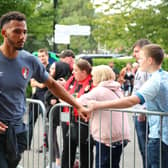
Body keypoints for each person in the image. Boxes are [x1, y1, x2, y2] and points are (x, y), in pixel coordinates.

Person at [0, 11, 89, 168]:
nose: (22, 36)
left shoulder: (29, 60)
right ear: (4, 33)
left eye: (24, 32)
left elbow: (53, 85)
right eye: (16, 31)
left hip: (18, 130)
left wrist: (77, 105)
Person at [85, 44, 168, 168]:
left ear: (150, 60)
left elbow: (130, 101)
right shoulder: (164, 76)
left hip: (159, 137)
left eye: (141, 58)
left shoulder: (154, 82)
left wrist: (97, 105)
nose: (138, 61)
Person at [78, 65, 130, 168]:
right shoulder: (117, 88)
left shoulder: (99, 90)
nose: (92, 78)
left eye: (93, 76)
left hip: (107, 135)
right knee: (114, 164)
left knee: (102, 164)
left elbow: (79, 100)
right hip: (121, 134)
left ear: (99, 76)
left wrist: (89, 105)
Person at [61, 58, 94, 168]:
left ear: (84, 72)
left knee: (85, 151)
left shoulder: (92, 82)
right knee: (67, 149)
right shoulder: (72, 79)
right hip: (68, 119)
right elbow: (63, 94)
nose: (72, 72)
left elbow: (91, 100)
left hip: (84, 121)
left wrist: (74, 103)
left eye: (75, 70)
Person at [132, 39, 151, 168]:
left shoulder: (147, 70)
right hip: (137, 112)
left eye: (137, 51)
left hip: (142, 114)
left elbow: (149, 91)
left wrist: (143, 110)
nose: (134, 54)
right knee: (143, 149)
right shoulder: (140, 69)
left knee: (146, 148)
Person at [28, 48, 50, 150]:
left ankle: (46, 145)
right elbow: (32, 83)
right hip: (35, 99)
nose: (41, 58)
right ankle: (26, 144)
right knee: (30, 122)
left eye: (43, 56)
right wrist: (38, 84)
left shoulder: (50, 69)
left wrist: (38, 84)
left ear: (47, 56)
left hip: (45, 99)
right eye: (39, 56)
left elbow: (43, 85)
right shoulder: (36, 68)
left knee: (46, 123)